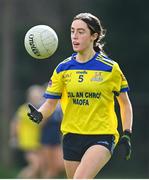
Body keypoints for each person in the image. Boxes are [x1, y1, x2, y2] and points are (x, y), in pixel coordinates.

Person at [27, 12, 133, 179]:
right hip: (71, 137)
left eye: (81, 32)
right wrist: (40, 113)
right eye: (72, 31)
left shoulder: (110, 68)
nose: (74, 36)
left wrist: (126, 132)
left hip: (102, 136)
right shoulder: (63, 68)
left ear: (94, 36)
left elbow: (125, 103)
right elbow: (50, 103)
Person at [10, 85, 44, 178]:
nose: (37, 98)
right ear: (30, 97)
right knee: (36, 165)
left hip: (36, 142)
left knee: (40, 167)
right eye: (35, 96)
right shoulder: (24, 109)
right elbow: (15, 123)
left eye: (39, 96)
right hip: (27, 143)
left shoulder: (40, 110)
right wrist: (14, 137)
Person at [40, 100, 64, 178]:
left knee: (59, 165)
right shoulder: (44, 106)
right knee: (49, 167)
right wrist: (47, 113)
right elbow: (41, 124)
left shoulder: (61, 107)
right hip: (46, 140)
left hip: (57, 139)